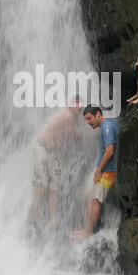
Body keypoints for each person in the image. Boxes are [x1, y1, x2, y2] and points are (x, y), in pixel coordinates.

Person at [29, 96, 83, 232]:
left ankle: (53, 223)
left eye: (81, 106)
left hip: (56, 150)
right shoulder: (68, 116)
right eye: (78, 106)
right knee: (41, 185)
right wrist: (91, 132)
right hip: (43, 147)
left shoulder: (72, 115)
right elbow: (74, 137)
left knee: (54, 187)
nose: (80, 108)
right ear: (71, 105)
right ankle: (32, 221)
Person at [71, 105, 120, 239]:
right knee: (88, 194)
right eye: (86, 120)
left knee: (96, 201)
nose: (88, 122)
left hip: (108, 172)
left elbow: (110, 151)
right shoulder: (110, 123)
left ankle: (88, 232)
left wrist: (98, 170)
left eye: (89, 118)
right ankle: (89, 225)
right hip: (107, 170)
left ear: (98, 114)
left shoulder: (106, 128)